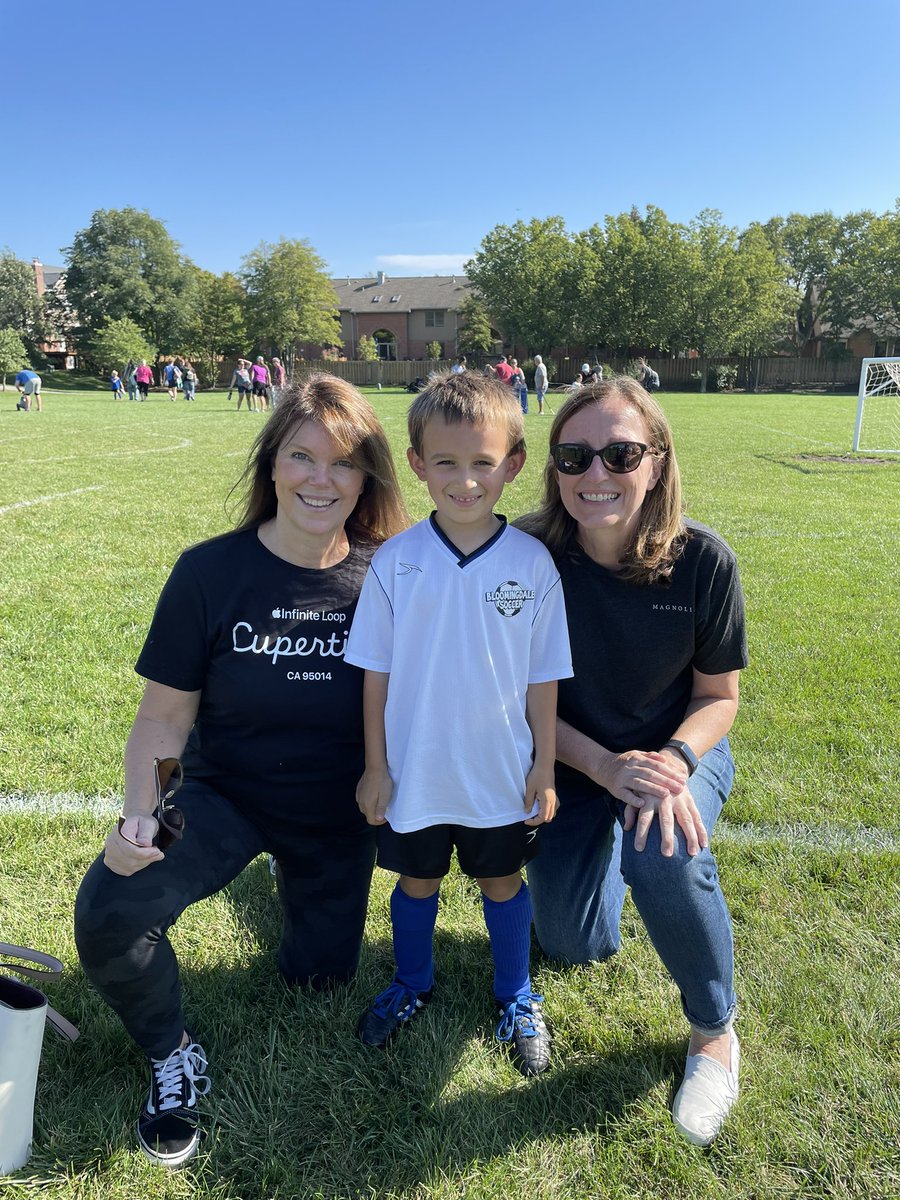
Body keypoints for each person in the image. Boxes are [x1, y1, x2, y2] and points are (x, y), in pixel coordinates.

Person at [74, 374, 409, 1168]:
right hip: (223, 794)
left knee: (320, 980)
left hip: (336, 808)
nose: (319, 479)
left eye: (343, 462)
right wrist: (140, 817)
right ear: (271, 466)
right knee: (112, 912)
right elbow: (163, 716)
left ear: (368, 478)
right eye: (301, 456)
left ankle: (297, 897)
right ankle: (170, 1054)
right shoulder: (209, 573)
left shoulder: (394, 575)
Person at [517, 376, 748, 1145]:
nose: (596, 476)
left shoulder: (704, 561)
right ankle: (611, 837)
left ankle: (714, 1032)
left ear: (657, 461)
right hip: (575, 760)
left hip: (676, 754)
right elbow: (516, 696)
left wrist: (674, 761)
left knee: (662, 847)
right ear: (553, 469)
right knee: (574, 945)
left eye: (620, 454)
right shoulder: (528, 556)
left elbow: (719, 694)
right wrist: (606, 769)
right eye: (574, 457)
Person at [346, 370, 572, 1077]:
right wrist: (376, 765)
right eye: (446, 463)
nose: (464, 480)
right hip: (415, 770)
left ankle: (516, 994)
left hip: (499, 771)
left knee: (502, 881)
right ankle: (411, 983)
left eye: (482, 463)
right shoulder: (396, 560)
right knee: (415, 884)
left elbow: (543, 675)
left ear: (512, 465)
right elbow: (375, 673)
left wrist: (543, 764)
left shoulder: (533, 564)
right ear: (418, 465)